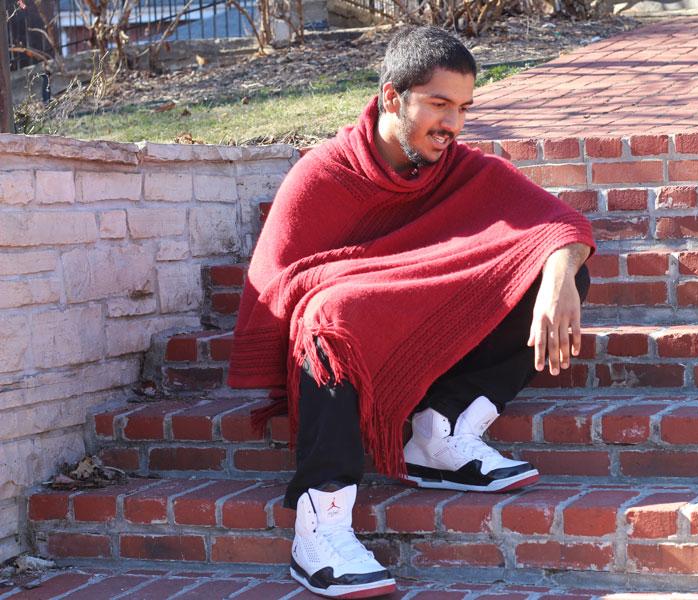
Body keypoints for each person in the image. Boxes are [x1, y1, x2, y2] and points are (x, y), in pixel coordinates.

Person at [228, 26, 594, 599]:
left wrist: (557, 276)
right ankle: (318, 524)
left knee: (556, 271)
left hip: (418, 324)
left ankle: (439, 432)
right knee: (332, 314)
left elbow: (559, 223)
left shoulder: (460, 168)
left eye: (464, 109)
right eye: (439, 105)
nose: (452, 124)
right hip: (349, 338)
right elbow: (278, 288)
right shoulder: (323, 174)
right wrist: (354, 295)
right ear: (392, 97)